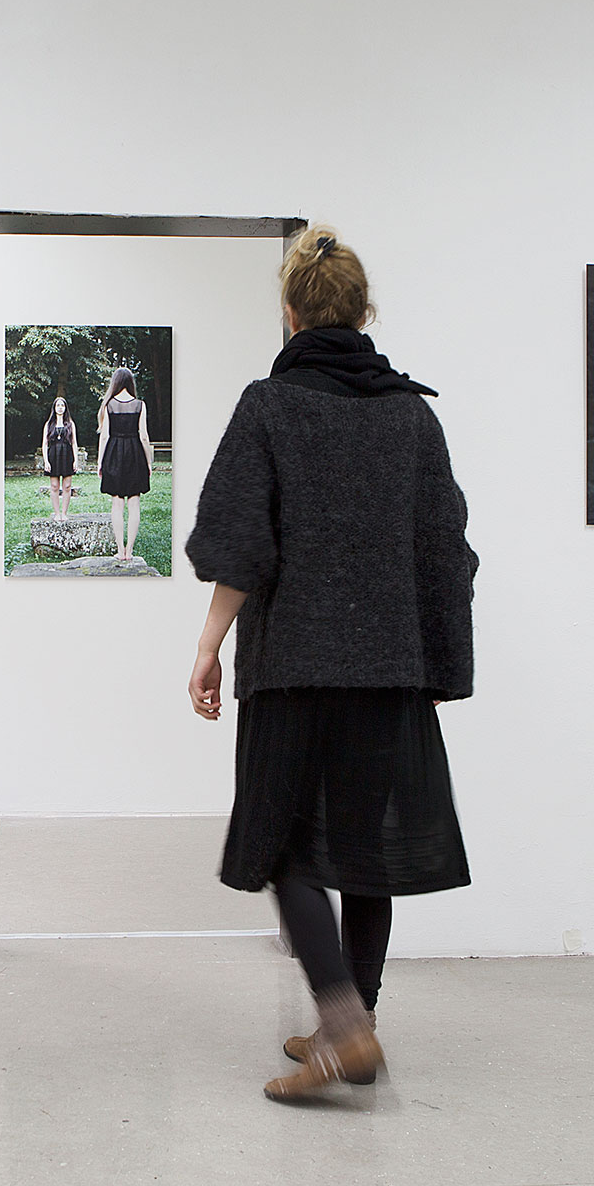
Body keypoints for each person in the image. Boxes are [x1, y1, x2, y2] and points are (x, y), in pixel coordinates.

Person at [185, 224, 479, 1100]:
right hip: (388, 669)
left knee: (286, 847)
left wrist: (207, 646)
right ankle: (356, 1020)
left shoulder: (268, 407)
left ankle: (343, 1029)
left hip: (294, 667)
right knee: (362, 853)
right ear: (364, 313)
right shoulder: (411, 417)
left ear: (290, 313)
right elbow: (447, 550)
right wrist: (434, 664)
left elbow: (241, 545)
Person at [97, 368, 154, 564]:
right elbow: (144, 436)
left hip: (113, 453)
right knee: (134, 503)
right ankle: (130, 550)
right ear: (130, 382)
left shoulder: (108, 405)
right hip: (135, 454)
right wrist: (148, 462)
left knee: (117, 503)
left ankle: (120, 550)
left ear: (115, 382)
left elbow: (104, 436)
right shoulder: (140, 405)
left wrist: (100, 462)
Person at [38, 396, 79, 519]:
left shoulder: (70, 424)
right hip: (53, 455)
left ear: (65, 408)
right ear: (54, 408)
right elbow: (44, 444)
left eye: (62, 405)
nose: (60, 408)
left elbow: (74, 443)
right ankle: (57, 513)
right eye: (58, 405)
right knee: (54, 486)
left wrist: (76, 460)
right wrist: (46, 461)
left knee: (67, 486)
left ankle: (64, 513)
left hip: (67, 455)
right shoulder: (49, 424)